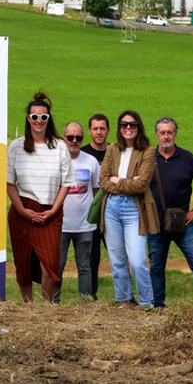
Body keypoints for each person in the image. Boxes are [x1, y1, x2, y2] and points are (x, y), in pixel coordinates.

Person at [6, 92, 75, 302]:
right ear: (28, 118)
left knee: (49, 265)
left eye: (43, 117)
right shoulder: (16, 147)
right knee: (24, 262)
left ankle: (46, 309)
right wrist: (21, 210)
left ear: (48, 119)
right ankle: (28, 308)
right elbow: (9, 184)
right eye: (34, 117)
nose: (38, 121)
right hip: (23, 209)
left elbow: (66, 183)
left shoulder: (60, 146)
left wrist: (54, 210)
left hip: (50, 210)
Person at [148, 117, 193, 308]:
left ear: (175, 134)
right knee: (156, 266)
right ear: (156, 135)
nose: (166, 136)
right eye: (162, 132)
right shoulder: (148, 158)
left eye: (169, 132)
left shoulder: (187, 157)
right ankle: (158, 306)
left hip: (183, 223)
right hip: (155, 223)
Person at [99, 110, 159, 307]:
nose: (128, 128)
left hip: (135, 208)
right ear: (119, 128)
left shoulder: (148, 151)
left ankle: (146, 302)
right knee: (117, 261)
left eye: (132, 124)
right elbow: (103, 181)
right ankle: (123, 299)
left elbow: (141, 185)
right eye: (124, 124)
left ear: (138, 127)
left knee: (137, 261)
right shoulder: (112, 149)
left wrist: (117, 180)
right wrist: (126, 182)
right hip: (112, 208)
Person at [54, 122, 100, 304]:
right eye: (70, 137)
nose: (74, 141)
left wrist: (92, 215)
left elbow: (96, 190)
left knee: (85, 267)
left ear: (83, 139)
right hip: (60, 225)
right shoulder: (56, 160)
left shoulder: (91, 161)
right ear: (63, 138)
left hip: (84, 225)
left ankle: (85, 304)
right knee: (57, 266)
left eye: (78, 138)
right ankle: (53, 304)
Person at [81, 113, 110, 300]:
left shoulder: (115, 151)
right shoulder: (82, 154)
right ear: (90, 131)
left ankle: (126, 297)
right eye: (95, 129)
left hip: (112, 214)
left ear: (108, 130)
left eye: (102, 128)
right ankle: (90, 296)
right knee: (91, 258)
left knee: (119, 256)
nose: (99, 132)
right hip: (90, 215)